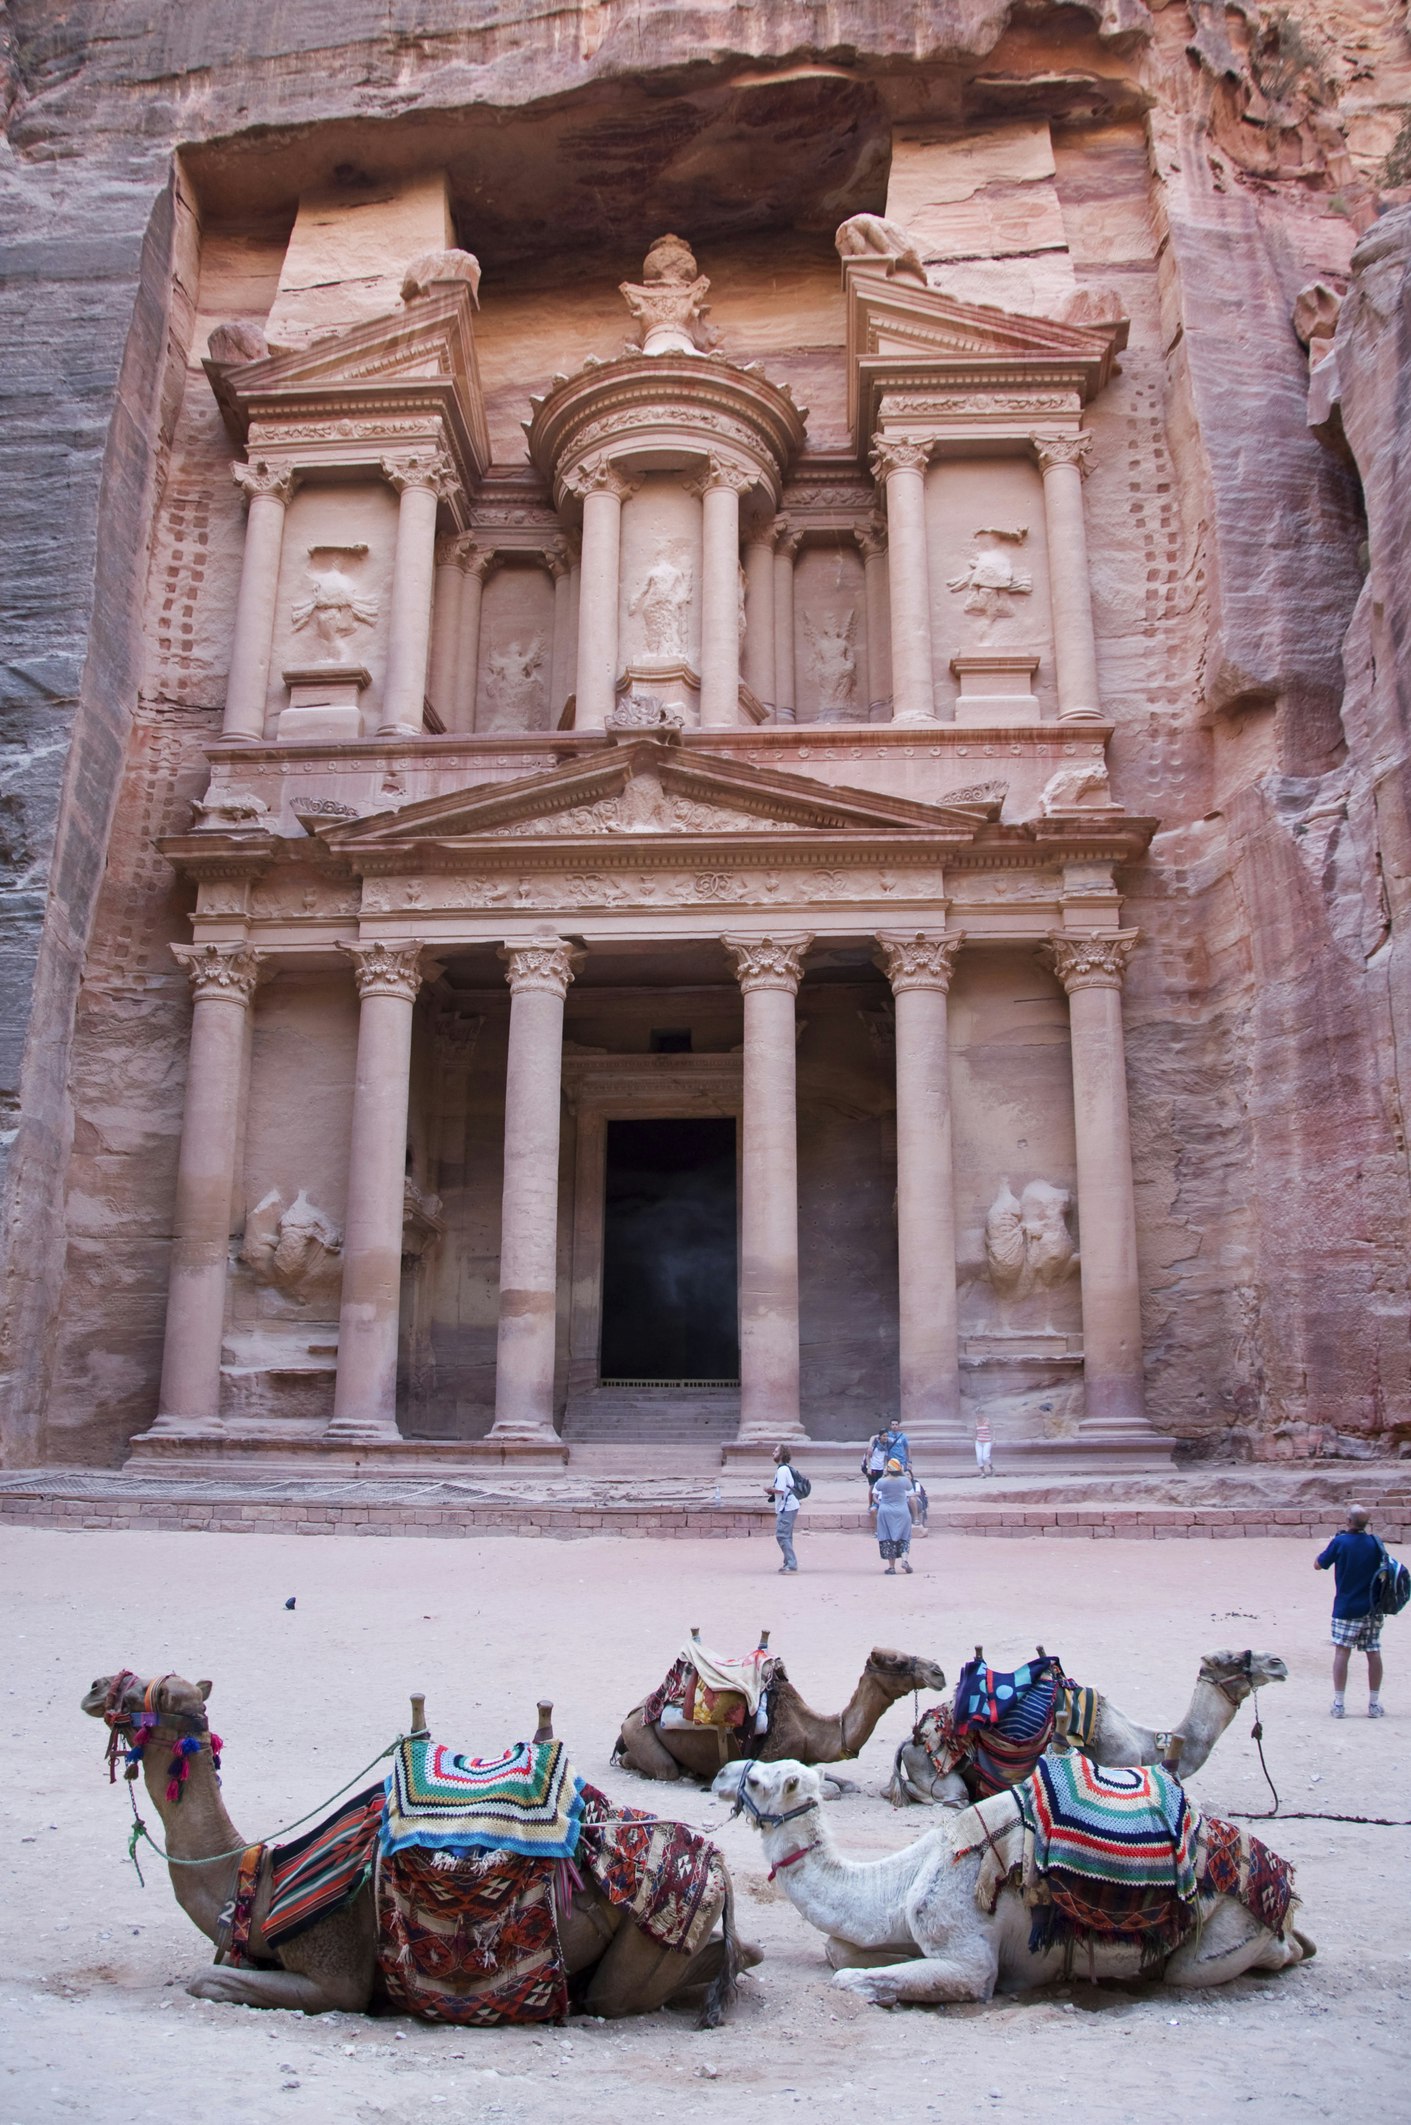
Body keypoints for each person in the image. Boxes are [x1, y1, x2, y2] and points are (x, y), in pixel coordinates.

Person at [1315, 1504, 1385, 1718]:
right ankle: (1373, 1704)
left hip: (1346, 1607)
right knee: (1373, 1652)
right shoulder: (1375, 1542)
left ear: (1348, 1521)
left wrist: (1332, 1543)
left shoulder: (1340, 1542)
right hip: (1372, 1608)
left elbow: (1319, 1564)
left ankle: (1339, 1703)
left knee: (1342, 1652)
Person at [871, 1457, 914, 1576]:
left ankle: (891, 1567)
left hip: (886, 1511)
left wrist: (884, 1474)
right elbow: (911, 1495)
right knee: (904, 1536)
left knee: (889, 1537)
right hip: (902, 1510)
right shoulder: (905, 1481)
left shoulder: (882, 1481)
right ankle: (904, 1560)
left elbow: (875, 1492)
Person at [768, 1444, 801, 1574]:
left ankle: (791, 1564)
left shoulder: (782, 1471)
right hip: (790, 1505)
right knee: (786, 1535)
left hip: (786, 1506)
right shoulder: (785, 1469)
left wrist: (769, 1490)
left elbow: (780, 1490)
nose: (773, 1453)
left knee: (782, 1535)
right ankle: (788, 1562)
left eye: (775, 1451)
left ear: (781, 1454)